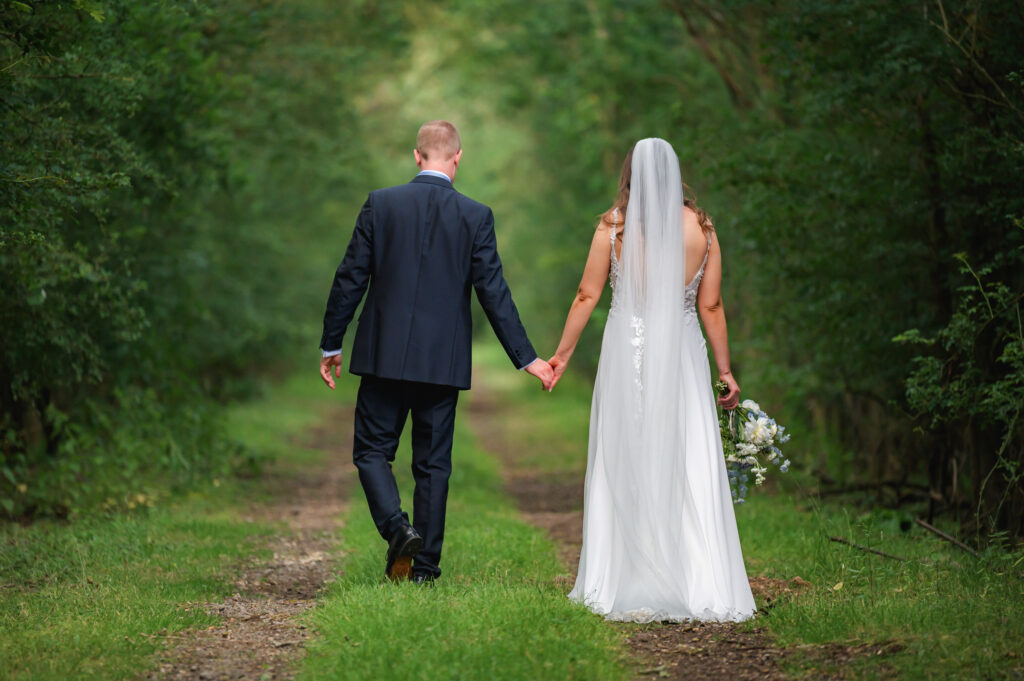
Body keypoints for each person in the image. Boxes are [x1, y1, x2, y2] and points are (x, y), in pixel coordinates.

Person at [319, 120, 554, 584]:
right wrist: (528, 358)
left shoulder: (381, 204)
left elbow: (351, 276)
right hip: (441, 363)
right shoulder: (475, 216)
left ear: (417, 155)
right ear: (458, 158)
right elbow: (494, 293)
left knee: (371, 451)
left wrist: (332, 342)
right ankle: (424, 569)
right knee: (432, 465)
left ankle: (397, 528)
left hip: (382, 355)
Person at [548, 138, 756, 621]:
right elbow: (711, 305)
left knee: (625, 450)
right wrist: (725, 371)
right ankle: (699, 577)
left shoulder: (613, 226)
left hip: (628, 352)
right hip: (682, 353)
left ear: (630, 175)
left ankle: (620, 576)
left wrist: (560, 355)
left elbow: (586, 295)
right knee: (686, 454)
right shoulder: (702, 228)